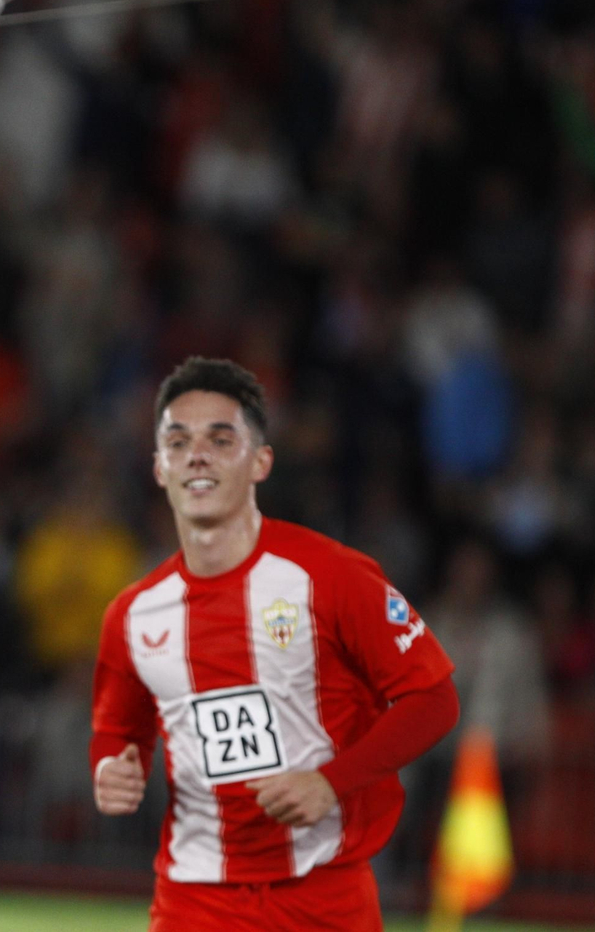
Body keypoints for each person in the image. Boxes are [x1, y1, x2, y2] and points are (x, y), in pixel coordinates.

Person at [89, 357, 460, 931]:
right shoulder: (132, 615)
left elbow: (434, 700)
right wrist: (112, 767)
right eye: (178, 441)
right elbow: (119, 732)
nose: (198, 455)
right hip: (194, 900)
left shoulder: (333, 578)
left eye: (220, 438)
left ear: (260, 461)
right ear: (160, 467)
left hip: (324, 895)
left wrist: (329, 782)